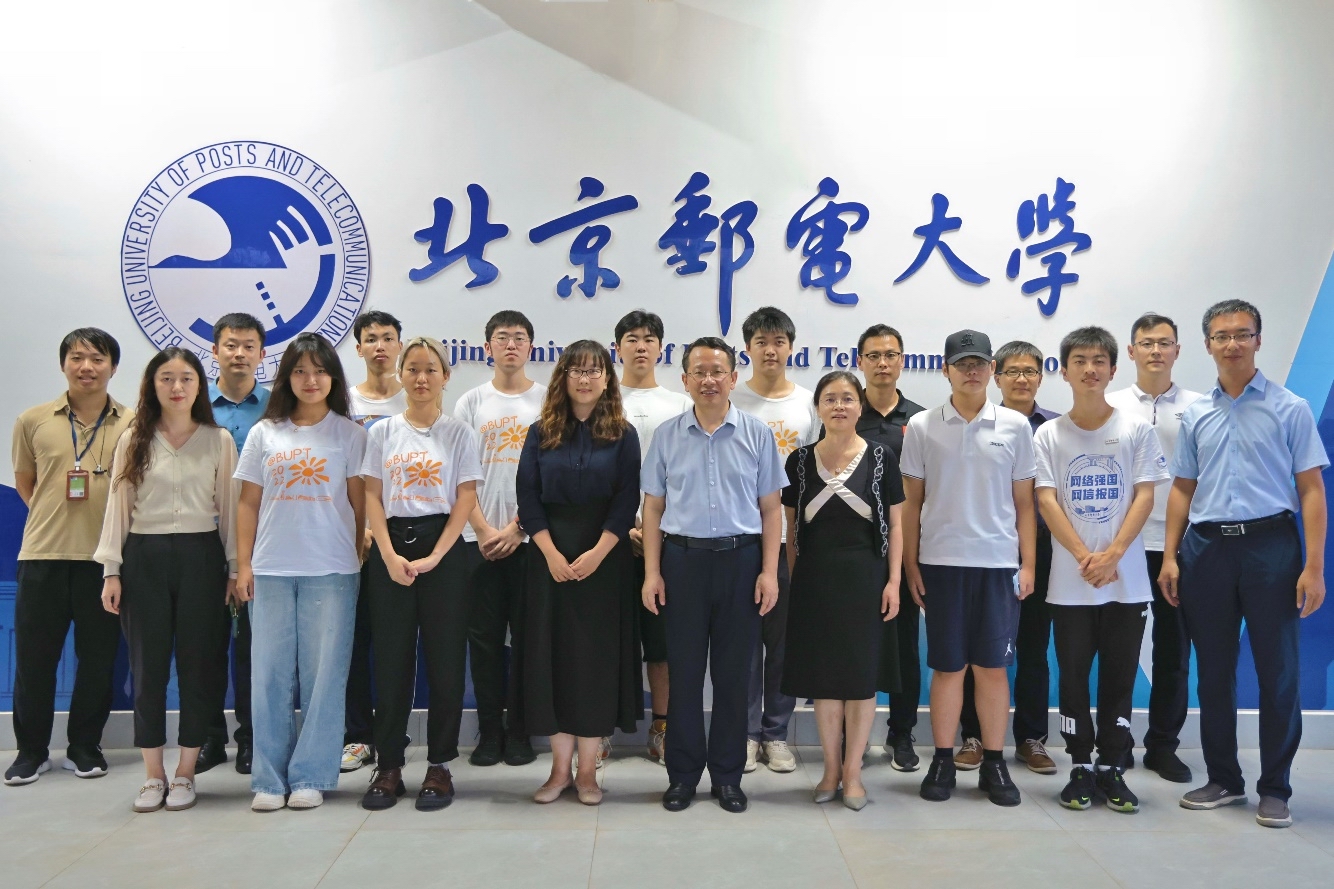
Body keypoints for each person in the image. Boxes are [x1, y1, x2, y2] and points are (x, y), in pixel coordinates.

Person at [1160, 299, 1327, 829]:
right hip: (1206, 550)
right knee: (1213, 671)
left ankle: (1275, 788)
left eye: (1242, 334)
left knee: (1278, 672)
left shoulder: (1290, 408)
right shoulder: (1196, 414)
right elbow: (1182, 488)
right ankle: (1224, 779)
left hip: (1271, 548)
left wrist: (1314, 566)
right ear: (1207, 344)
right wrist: (1170, 556)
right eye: (1221, 335)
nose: (1231, 344)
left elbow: (1311, 490)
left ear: (1258, 339)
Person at [642, 336, 785, 814]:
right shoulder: (666, 435)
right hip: (681, 563)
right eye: (699, 372)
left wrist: (769, 572)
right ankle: (682, 775)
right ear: (685, 380)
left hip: (741, 563)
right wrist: (652, 573)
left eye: (717, 371)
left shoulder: (757, 434)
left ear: (733, 377)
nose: (708, 380)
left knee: (733, 676)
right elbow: (653, 508)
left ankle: (727, 776)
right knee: (683, 674)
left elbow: (771, 509)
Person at [95, 348, 237, 812]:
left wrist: (235, 568)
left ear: (200, 385)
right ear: (152, 385)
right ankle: (153, 775)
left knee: (199, 667)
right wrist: (111, 570)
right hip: (144, 558)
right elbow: (118, 507)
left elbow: (229, 511)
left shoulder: (218, 440)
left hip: (201, 558)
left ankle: (185, 773)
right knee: (148, 669)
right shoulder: (133, 438)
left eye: (186, 378)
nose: (177, 387)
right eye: (166, 378)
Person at [1034, 327, 1168, 814]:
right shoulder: (1049, 434)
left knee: (1118, 678)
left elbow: (1145, 495)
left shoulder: (1136, 429)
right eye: (1079, 361)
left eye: (1098, 361)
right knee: (1071, 679)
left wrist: (1112, 555)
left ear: (1113, 369)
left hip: (1125, 583)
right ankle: (1078, 765)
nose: (1089, 369)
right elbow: (1046, 499)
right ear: (1065, 370)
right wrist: (1082, 556)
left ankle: (1112, 765)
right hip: (1070, 584)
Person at [233, 333, 368, 811]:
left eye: (321, 371)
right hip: (270, 568)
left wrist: (354, 556)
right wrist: (243, 564)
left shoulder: (350, 434)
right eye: (300, 371)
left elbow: (360, 505)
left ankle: (311, 774)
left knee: (324, 677)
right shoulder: (264, 433)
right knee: (268, 676)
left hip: (331, 570)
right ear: (286, 378)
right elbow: (247, 504)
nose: (311, 380)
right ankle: (269, 780)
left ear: (334, 378)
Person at [904, 330, 1037, 807]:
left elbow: (1025, 504)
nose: (972, 371)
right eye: (962, 363)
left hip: (998, 565)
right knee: (948, 668)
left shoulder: (1016, 427)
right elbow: (911, 503)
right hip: (941, 564)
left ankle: (995, 763)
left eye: (980, 363)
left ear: (992, 370)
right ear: (946, 370)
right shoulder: (922, 426)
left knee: (992, 669)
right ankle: (943, 759)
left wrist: (1028, 564)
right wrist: (910, 564)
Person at [358, 337, 481, 811]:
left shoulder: (459, 433)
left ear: (446, 376)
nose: (421, 378)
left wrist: (437, 556)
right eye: (412, 369)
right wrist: (388, 555)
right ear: (401, 374)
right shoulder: (382, 432)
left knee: (445, 660)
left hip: (444, 548)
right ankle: (389, 764)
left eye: (431, 369)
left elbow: (466, 497)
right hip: (390, 547)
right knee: (391, 662)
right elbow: (372, 495)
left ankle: (440, 764)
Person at [7, 328, 134, 786]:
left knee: (98, 661)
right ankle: (31, 752)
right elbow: (26, 483)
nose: (87, 367)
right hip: (42, 555)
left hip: (104, 564)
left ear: (113, 367)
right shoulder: (33, 420)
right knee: (34, 662)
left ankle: (84, 746)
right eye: (77, 357)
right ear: (63, 364)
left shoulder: (133, 422)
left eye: (97, 359)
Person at [518, 341, 643, 806]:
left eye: (594, 371)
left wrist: (598, 553)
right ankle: (557, 771)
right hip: (548, 561)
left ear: (608, 379)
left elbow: (627, 500)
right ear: (563, 378)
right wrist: (550, 553)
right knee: (552, 662)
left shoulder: (623, 434)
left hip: (604, 563)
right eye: (577, 371)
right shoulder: (540, 432)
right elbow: (528, 497)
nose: (585, 379)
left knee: (594, 665)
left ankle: (588, 772)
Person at [782, 371, 903, 810]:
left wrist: (893, 581)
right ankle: (830, 769)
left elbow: (897, 525)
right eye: (830, 399)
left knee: (861, 679)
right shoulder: (798, 461)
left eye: (848, 398)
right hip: (816, 580)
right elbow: (792, 528)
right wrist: (797, 580)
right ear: (818, 407)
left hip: (867, 579)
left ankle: (853, 773)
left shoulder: (882, 457)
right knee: (826, 681)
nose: (839, 406)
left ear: (860, 406)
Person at [1106, 312, 1203, 783]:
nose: (1156, 351)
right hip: (1124, 544)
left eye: (1165, 343)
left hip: (1180, 546)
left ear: (1178, 351)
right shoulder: (1110, 404)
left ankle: (1163, 745)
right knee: (1119, 650)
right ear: (1131, 351)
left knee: (1173, 650)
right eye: (1146, 343)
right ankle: (1116, 742)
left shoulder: (1200, 407)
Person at [957, 341, 1060, 775]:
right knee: (974, 649)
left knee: (1034, 646)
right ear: (996, 376)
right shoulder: (979, 422)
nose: (1021, 379)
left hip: (1044, 548)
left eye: (1030, 371)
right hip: (987, 549)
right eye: (1013, 371)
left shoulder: (1057, 428)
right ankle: (974, 736)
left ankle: (1032, 738)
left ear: (1041, 377)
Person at [730, 306, 820, 775]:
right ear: (747, 348)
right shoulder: (731, 398)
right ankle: (746, 734)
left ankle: (776, 733)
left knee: (784, 644)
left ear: (791, 347)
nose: (770, 350)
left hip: (792, 540)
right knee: (745, 644)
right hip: (741, 537)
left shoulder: (808, 403)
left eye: (778, 341)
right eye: (761, 342)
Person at [457, 310, 545, 767]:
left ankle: (521, 732)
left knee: (529, 642)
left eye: (520, 337)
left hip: (532, 543)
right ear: (487, 345)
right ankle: (489, 731)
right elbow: (459, 476)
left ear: (531, 346)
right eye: (502, 337)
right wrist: (483, 529)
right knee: (485, 641)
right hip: (479, 543)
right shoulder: (471, 402)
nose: (511, 344)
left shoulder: (547, 400)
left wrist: (518, 527)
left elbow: (550, 475)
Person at [616, 310, 690, 764]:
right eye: (631, 338)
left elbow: (687, 473)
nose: (640, 346)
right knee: (609, 640)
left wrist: (654, 530)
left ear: (661, 348)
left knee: (661, 644)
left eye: (649, 339)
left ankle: (662, 727)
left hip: (665, 541)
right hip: (608, 542)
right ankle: (598, 731)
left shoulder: (679, 404)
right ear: (618, 348)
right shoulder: (603, 399)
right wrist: (621, 526)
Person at [853, 324, 927, 773]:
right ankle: (853, 734)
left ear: (902, 360)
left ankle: (901, 732)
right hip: (852, 551)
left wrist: (911, 562)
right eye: (874, 355)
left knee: (904, 648)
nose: (883, 363)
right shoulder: (844, 411)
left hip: (903, 549)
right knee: (854, 644)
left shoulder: (919, 420)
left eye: (891, 355)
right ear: (860, 361)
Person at [202, 312, 270, 776]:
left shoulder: (277, 407)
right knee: (204, 645)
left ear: (262, 354)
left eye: (248, 346)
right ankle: (209, 737)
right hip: (204, 540)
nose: (239, 354)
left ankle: (250, 739)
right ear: (215, 351)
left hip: (262, 543)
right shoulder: (195, 406)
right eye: (231, 345)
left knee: (253, 649)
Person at [342, 310, 407, 774]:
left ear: (399, 345)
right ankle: (357, 736)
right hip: (348, 539)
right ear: (358, 347)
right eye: (371, 339)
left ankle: (392, 733)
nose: (380, 346)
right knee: (354, 641)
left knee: (394, 644)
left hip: (399, 538)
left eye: (387, 338)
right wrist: (358, 528)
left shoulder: (417, 396)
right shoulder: (342, 402)